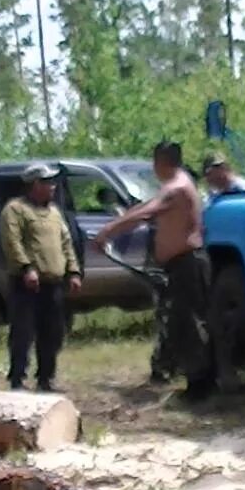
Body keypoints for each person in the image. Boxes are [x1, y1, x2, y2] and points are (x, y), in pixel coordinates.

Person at [95, 141, 216, 399]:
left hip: (188, 264)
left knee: (188, 324)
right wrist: (121, 218)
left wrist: (108, 231)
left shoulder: (177, 187)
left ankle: (201, 384)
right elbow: (145, 206)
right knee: (178, 322)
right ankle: (191, 377)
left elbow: (147, 212)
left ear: (161, 162)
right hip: (180, 264)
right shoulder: (177, 184)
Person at [0, 162, 82, 392]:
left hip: (53, 284)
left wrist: (73, 271)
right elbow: (12, 242)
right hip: (26, 284)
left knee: (53, 333)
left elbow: (66, 244)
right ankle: (17, 379)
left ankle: (46, 379)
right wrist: (26, 268)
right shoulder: (15, 209)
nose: (53, 186)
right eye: (48, 182)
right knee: (23, 333)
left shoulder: (55, 212)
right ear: (35, 184)